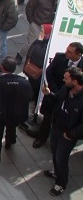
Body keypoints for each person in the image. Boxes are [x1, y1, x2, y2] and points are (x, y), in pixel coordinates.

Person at [30, 42, 83, 148]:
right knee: (47, 119)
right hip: (54, 94)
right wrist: (56, 91)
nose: (66, 52)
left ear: (78, 54)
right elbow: (49, 73)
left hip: (73, 100)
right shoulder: (60, 57)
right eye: (67, 49)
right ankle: (41, 138)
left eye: (69, 51)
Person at [0, 57, 32, 171]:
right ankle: (10, 140)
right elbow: (30, 96)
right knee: (12, 126)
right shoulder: (24, 82)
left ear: (2, 67)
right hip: (16, 114)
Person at [42, 66, 83, 196]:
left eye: (66, 78)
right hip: (56, 127)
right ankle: (56, 172)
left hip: (68, 134)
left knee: (61, 158)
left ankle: (61, 183)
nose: (63, 80)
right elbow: (57, 100)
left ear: (75, 81)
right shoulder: (66, 89)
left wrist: (71, 134)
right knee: (54, 152)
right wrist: (49, 94)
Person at [17, 0, 60, 64]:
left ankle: (33, 58)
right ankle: (20, 55)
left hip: (49, 25)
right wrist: (31, 21)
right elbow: (29, 8)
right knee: (32, 43)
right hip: (37, 23)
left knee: (42, 44)